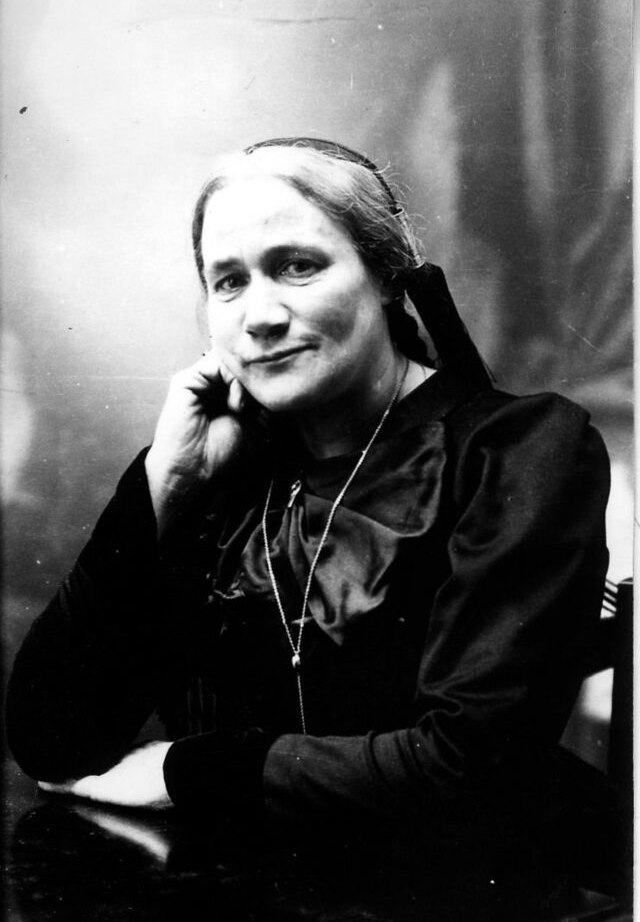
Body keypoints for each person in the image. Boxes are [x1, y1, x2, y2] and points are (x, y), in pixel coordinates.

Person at [7, 138, 610, 910]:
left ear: (387, 277)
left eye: (297, 266)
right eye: (229, 281)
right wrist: (167, 480)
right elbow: (53, 742)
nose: (260, 316)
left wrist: (186, 771)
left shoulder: (517, 451)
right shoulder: (218, 475)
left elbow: (466, 766)